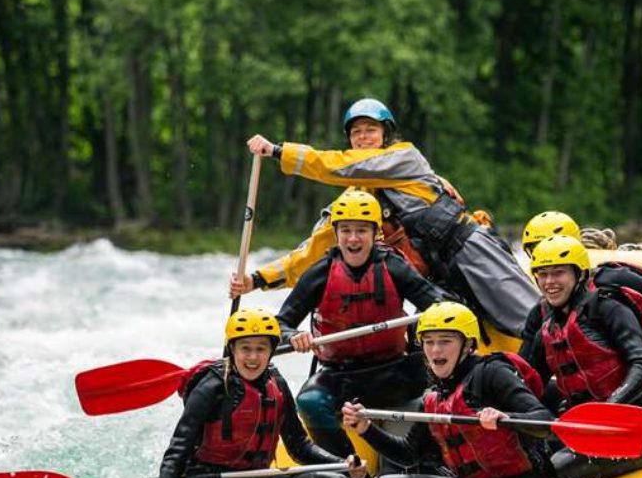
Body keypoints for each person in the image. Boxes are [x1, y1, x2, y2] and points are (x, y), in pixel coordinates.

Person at [229, 97, 540, 336]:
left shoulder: (405, 157)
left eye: (371, 131)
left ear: (386, 135)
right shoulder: (355, 200)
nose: (363, 138)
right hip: (433, 278)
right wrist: (256, 279)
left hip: (468, 248)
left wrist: (279, 151)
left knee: (527, 317)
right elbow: (313, 251)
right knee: (455, 334)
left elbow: (336, 165)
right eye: (356, 133)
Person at [341, 302, 561, 478]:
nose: (435, 350)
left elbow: (546, 422)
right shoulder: (433, 397)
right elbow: (409, 454)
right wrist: (366, 429)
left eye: (445, 341)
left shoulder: (492, 374)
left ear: (468, 345)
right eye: (429, 341)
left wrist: (507, 417)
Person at [141, 308, 366, 478]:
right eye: (245, 348)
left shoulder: (276, 384)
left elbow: (299, 445)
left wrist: (342, 464)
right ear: (232, 350)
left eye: (261, 348)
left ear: (271, 351)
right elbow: (177, 453)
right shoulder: (212, 387)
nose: (253, 357)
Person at [270, 188, 446, 457]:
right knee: (310, 401)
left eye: (362, 230)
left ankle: (423, 461)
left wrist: (431, 327)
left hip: (395, 371)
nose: (353, 238)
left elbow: (439, 306)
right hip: (340, 375)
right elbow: (279, 326)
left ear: (375, 233)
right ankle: (348, 470)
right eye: (346, 230)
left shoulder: (394, 267)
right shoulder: (320, 273)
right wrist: (293, 335)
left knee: (441, 389)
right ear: (336, 233)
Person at [520, 235, 642, 478]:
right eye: (543, 274)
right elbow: (527, 386)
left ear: (579, 274)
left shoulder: (609, 308)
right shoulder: (547, 328)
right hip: (582, 430)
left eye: (558, 273)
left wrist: (609, 409)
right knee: (526, 462)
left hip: (630, 434)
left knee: (552, 469)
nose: (549, 282)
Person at [520, 210, 642, 390]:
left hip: (635, 391)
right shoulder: (543, 310)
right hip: (583, 399)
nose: (545, 255)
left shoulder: (612, 281)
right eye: (536, 251)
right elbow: (525, 370)